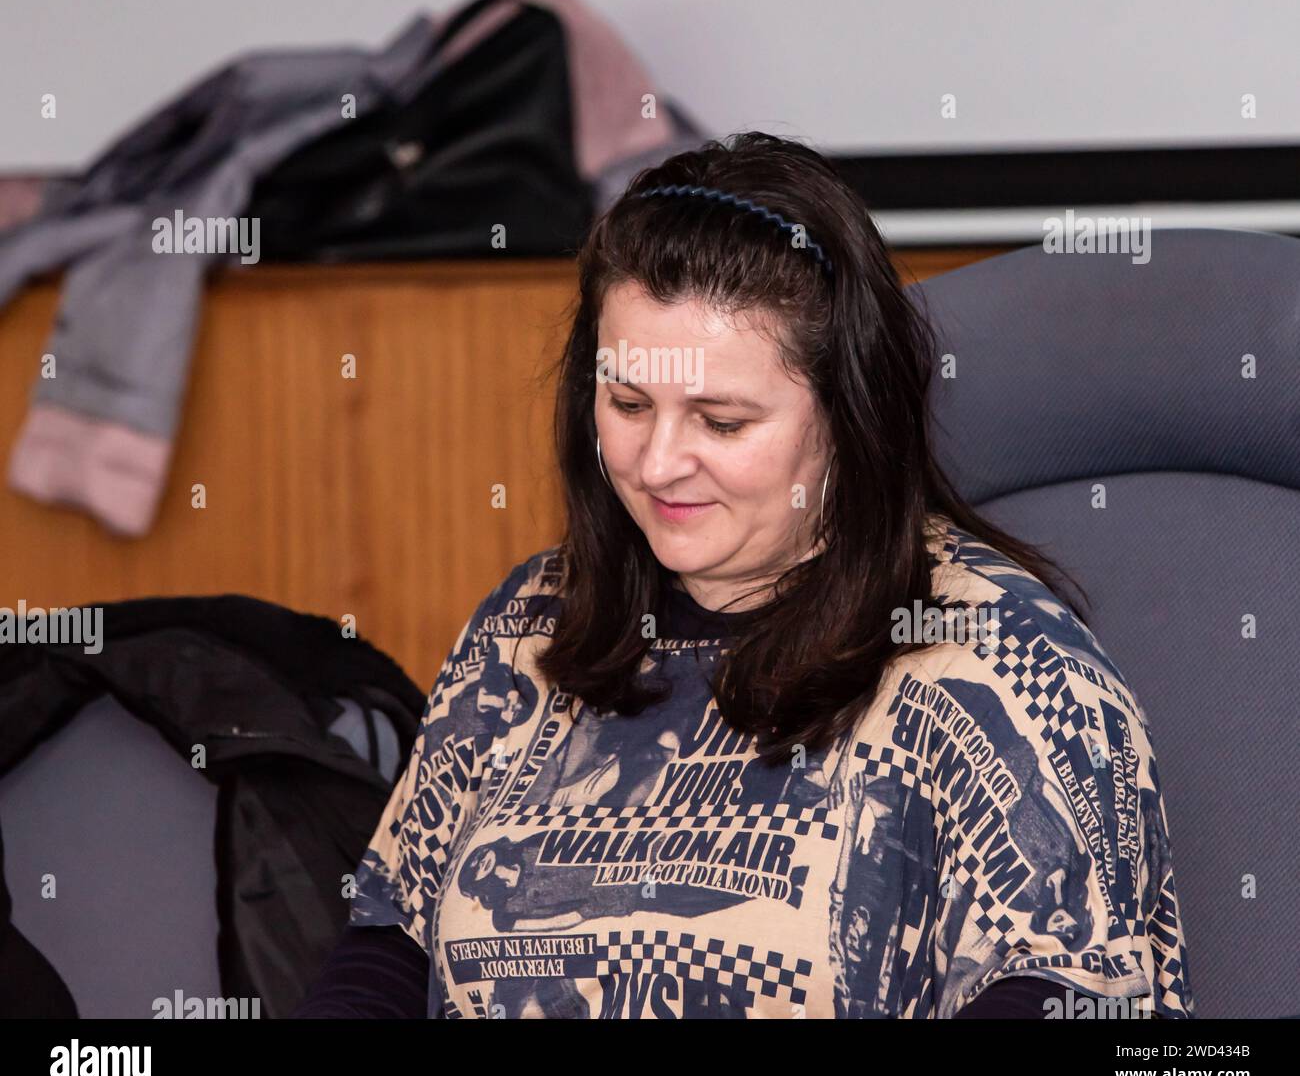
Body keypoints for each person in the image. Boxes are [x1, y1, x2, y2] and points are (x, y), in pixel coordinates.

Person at [294, 132, 1195, 1020]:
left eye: (721, 422)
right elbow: (391, 948)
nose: (656, 464)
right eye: (628, 403)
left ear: (849, 418)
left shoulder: (1007, 670)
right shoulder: (527, 625)